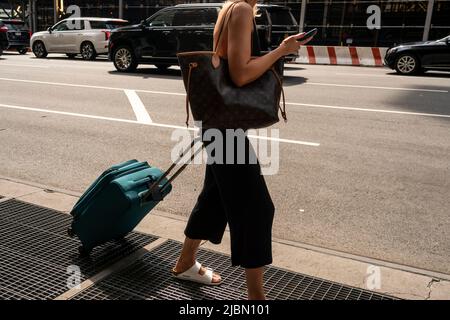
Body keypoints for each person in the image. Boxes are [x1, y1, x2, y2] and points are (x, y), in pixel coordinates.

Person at [172, 0, 312, 300]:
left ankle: (185, 262)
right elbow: (240, 73)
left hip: (220, 123)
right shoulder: (242, 10)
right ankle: (256, 298)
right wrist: (281, 51)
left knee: (215, 199)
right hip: (225, 130)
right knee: (257, 209)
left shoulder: (232, 8)